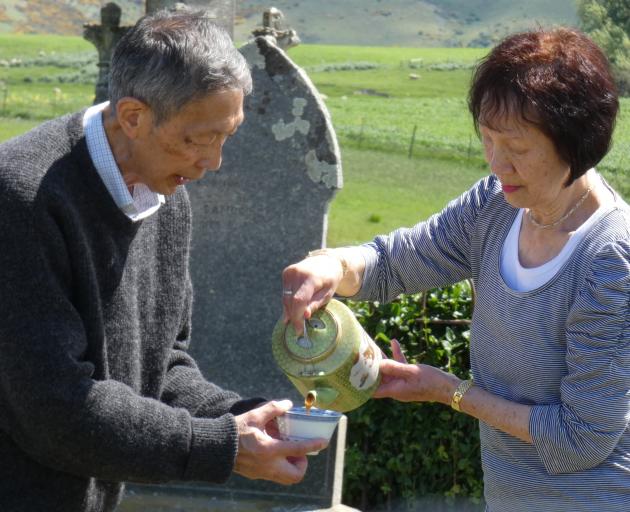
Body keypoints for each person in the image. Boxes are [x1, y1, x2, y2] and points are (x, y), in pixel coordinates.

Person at [282, 28, 630, 511]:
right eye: (487, 139)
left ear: (577, 143)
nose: (497, 162)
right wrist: (330, 265)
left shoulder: (610, 260)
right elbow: (393, 262)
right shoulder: (496, 206)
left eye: (517, 147)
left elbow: (581, 439)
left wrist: (451, 392)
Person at [0, 9, 327, 512]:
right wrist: (219, 446)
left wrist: (239, 419)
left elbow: (164, 367)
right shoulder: (23, 197)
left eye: (227, 136)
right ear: (132, 116)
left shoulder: (166, 196)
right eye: (199, 138)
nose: (214, 161)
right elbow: (55, 411)